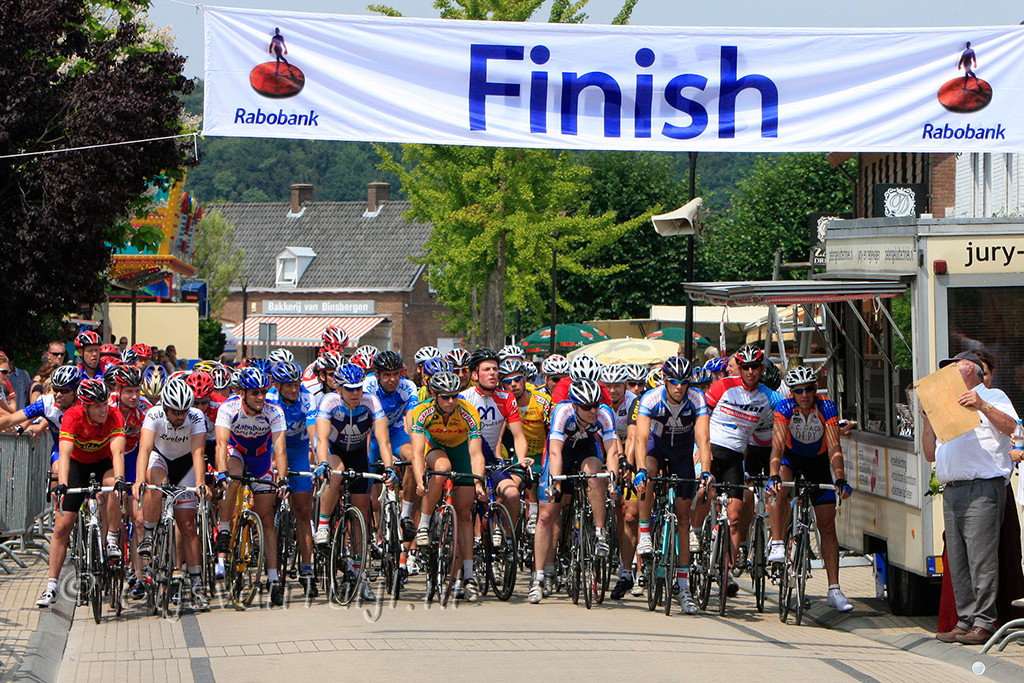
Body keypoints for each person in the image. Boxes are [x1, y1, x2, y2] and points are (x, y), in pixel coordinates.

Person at [923, 351, 1019, 645]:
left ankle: (984, 622)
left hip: (982, 487)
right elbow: (930, 453)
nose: (950, 371)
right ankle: (965, 620)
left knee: (981, 559)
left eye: (956, 366)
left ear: (972, 370)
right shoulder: (947, 403)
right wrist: (927, 420)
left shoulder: (992, 395)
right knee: (960, 560)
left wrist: (981, 405)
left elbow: (1013, 428)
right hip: (954, 488)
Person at [766, 365, 853, 613]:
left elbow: (834, 448)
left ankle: (834, 589)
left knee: (827, 525)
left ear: (816, 390)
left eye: (809, 389)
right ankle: (778, 541)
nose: (804, 395)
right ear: (792, 392)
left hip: (817, 461)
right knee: (779, 488)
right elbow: (777, 446)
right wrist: (773, 475)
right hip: (791, 458)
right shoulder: (784, 407)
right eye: (798, 390)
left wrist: (840, 478)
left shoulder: (827, 407)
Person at [37, 379, 129, 607]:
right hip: (78, 465)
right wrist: (63, 483)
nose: (103, 410)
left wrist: (119, 480)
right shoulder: (72, 416)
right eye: (97, 406)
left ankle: (111, 539)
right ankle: (52, 586)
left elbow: (118, 452)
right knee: (62, 526)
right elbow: (64, 454)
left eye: (105, 404)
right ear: (85, 406)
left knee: (115, 489)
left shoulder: (114, 415)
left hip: (104, 463)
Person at [633, 357, 713, 614]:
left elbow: (703, 439)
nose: (679, 387)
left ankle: (683, 586)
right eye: (674, 381)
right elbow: (640, 438)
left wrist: (706, 471)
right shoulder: (650, 398)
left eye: (684, 382)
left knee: (683, 517)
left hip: (681, 453)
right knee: (648, 474)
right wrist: (639, 470)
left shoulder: (697, 399)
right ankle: (645, 534)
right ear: (665, 381)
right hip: (656, 447)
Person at [530, 378, 620, 604]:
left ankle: (599, 533)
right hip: (562, 453)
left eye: (596, 405)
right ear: (575, 405)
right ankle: (538, 577)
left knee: (595, 475)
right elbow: (555, 453)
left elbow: (612, 451)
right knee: (546, 515)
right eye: (587, 407)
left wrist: (613, 481)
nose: (593, 411)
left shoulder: (604, 414)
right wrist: (555, 484)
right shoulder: (562, 412)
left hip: (587, 450)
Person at [702, 344, 782, 595]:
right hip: (711, 449)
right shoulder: (722, 386)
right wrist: (700, 449)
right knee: (703, 493)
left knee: (735, 517)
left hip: (736, 457)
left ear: (761, 368)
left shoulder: (770, 396)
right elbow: (700, 417)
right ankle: (694, 536)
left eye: (754, 367)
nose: (750, 372)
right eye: (745, 367)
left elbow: (794, 409)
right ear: (740, 367)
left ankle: (727, 572)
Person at [313, 363, 393, 602]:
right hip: (333, 450)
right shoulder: (329, 401)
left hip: (358, 454)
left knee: (361, 517)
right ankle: (323, 525)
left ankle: (359, 574)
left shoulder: (371, 402)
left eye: (358, 388)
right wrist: (322, 462)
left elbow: (383, 440)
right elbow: (322, 439)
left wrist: (389, 467)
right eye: (349, 389)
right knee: (336, 472)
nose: (355, 393)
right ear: (339, 388)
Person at [214, 367, 290, 606]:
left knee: (267, 519)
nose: (260, 397)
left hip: (260, 458)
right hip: (236, 452)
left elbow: (280, 449)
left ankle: (273, 579)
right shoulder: (229, 408)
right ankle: (224, 529)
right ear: (243, 393)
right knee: (233, 476)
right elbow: (220, 444)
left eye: (263, 392)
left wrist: (283, 478)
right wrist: (221, 472)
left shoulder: (274, 411)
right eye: (255, 392)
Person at [410, 371, 487, 601]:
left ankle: (468, 576)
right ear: (434, 395)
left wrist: (478, 481)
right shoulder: (422, 411)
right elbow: (416, 452)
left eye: (455, 395)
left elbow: (476, 453)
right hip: (435, 448)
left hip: (461, 450)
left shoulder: (468, 412)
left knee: (464, 515)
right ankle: (424, 525)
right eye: (445, 397)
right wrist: (419, 481)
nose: (451, 401)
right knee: (442, 467)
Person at [135, 379, 211, 609]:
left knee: (187, 526)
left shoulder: (196, 417)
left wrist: (200, 483)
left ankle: (196, 584)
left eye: (183, 412)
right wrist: (139, 480)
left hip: (186, 464)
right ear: (166, 407)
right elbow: (145, 449)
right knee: (156, 486)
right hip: (161, 458)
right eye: (176, 412)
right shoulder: (154, 414)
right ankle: (149, 535)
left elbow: (198, 452)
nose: (180, 417)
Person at [459, 348, 530, 529]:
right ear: (474, 375)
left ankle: (508, 537)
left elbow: (518, 435)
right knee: (467, 507)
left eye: (495, 369)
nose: (492, 373)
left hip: (491, 460)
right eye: (486, 369)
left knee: (513, 494)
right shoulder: (463, 398)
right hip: (466, 460)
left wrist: (521, 458)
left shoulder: (506, 398)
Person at [266, 360, 319, 596]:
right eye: (288, 385)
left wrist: (319, 459)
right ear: (277, 385)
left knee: (304, 511)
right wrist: (273, 462)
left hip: (297, 450)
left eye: (296, 384)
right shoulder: (269, 399)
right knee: (266, 509)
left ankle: (307, 570)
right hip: (271, 448)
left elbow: (314, 433)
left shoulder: (307, 398)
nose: (294, 389)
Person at [363, 350, 419, 543]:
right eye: (387, 375)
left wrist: (416, 450)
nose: (393, 379)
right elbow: (366, 425)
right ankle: (363, 526)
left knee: (414, 458)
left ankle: (406, 515)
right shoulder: (368, 386)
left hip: (395, 434)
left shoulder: (408, 387)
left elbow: (411, 423)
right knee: (364, 479)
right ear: (377, 375)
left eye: (396, 374)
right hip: (370, 435)